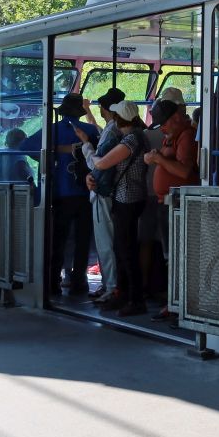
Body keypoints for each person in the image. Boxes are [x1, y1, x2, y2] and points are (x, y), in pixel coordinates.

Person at [76, 100, 149, 316]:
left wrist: (87, 147)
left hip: (127, 199)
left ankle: (134, 299)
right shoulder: (137, 136)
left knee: (127, 251)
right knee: (122, 249)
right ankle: (123, 293)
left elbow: (102, 164)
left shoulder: (130, 140)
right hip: (129, 198)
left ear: (118, 119)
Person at [21, 93, 99, 295]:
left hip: (59, 192)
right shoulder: (90, 131)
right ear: (80, 113)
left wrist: (53, 152)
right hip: (85, 192)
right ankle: (79, 280)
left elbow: (25, 146)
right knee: (83, 239)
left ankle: (53, 280)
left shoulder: (51, 131)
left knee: (59, 238)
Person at [144, 98, 200, 321]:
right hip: (167, 203)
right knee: (171, 256)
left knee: (179, 255)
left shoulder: (186, 137)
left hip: (179, 205)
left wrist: (157, 158)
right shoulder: (173, 136)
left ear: (176, 118)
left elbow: (185, 172)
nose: (163, 128)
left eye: (164, 123)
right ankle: (174, 302)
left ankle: (182, 305)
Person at [80, 88, 125, 305]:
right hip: (115, 192)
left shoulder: (113, 132)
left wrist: (85, 147)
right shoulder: (116, 129)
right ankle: (110, 284)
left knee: (105, 241)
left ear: (107, 109)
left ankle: (112, 286)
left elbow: (98, 161)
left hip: (102, 191)